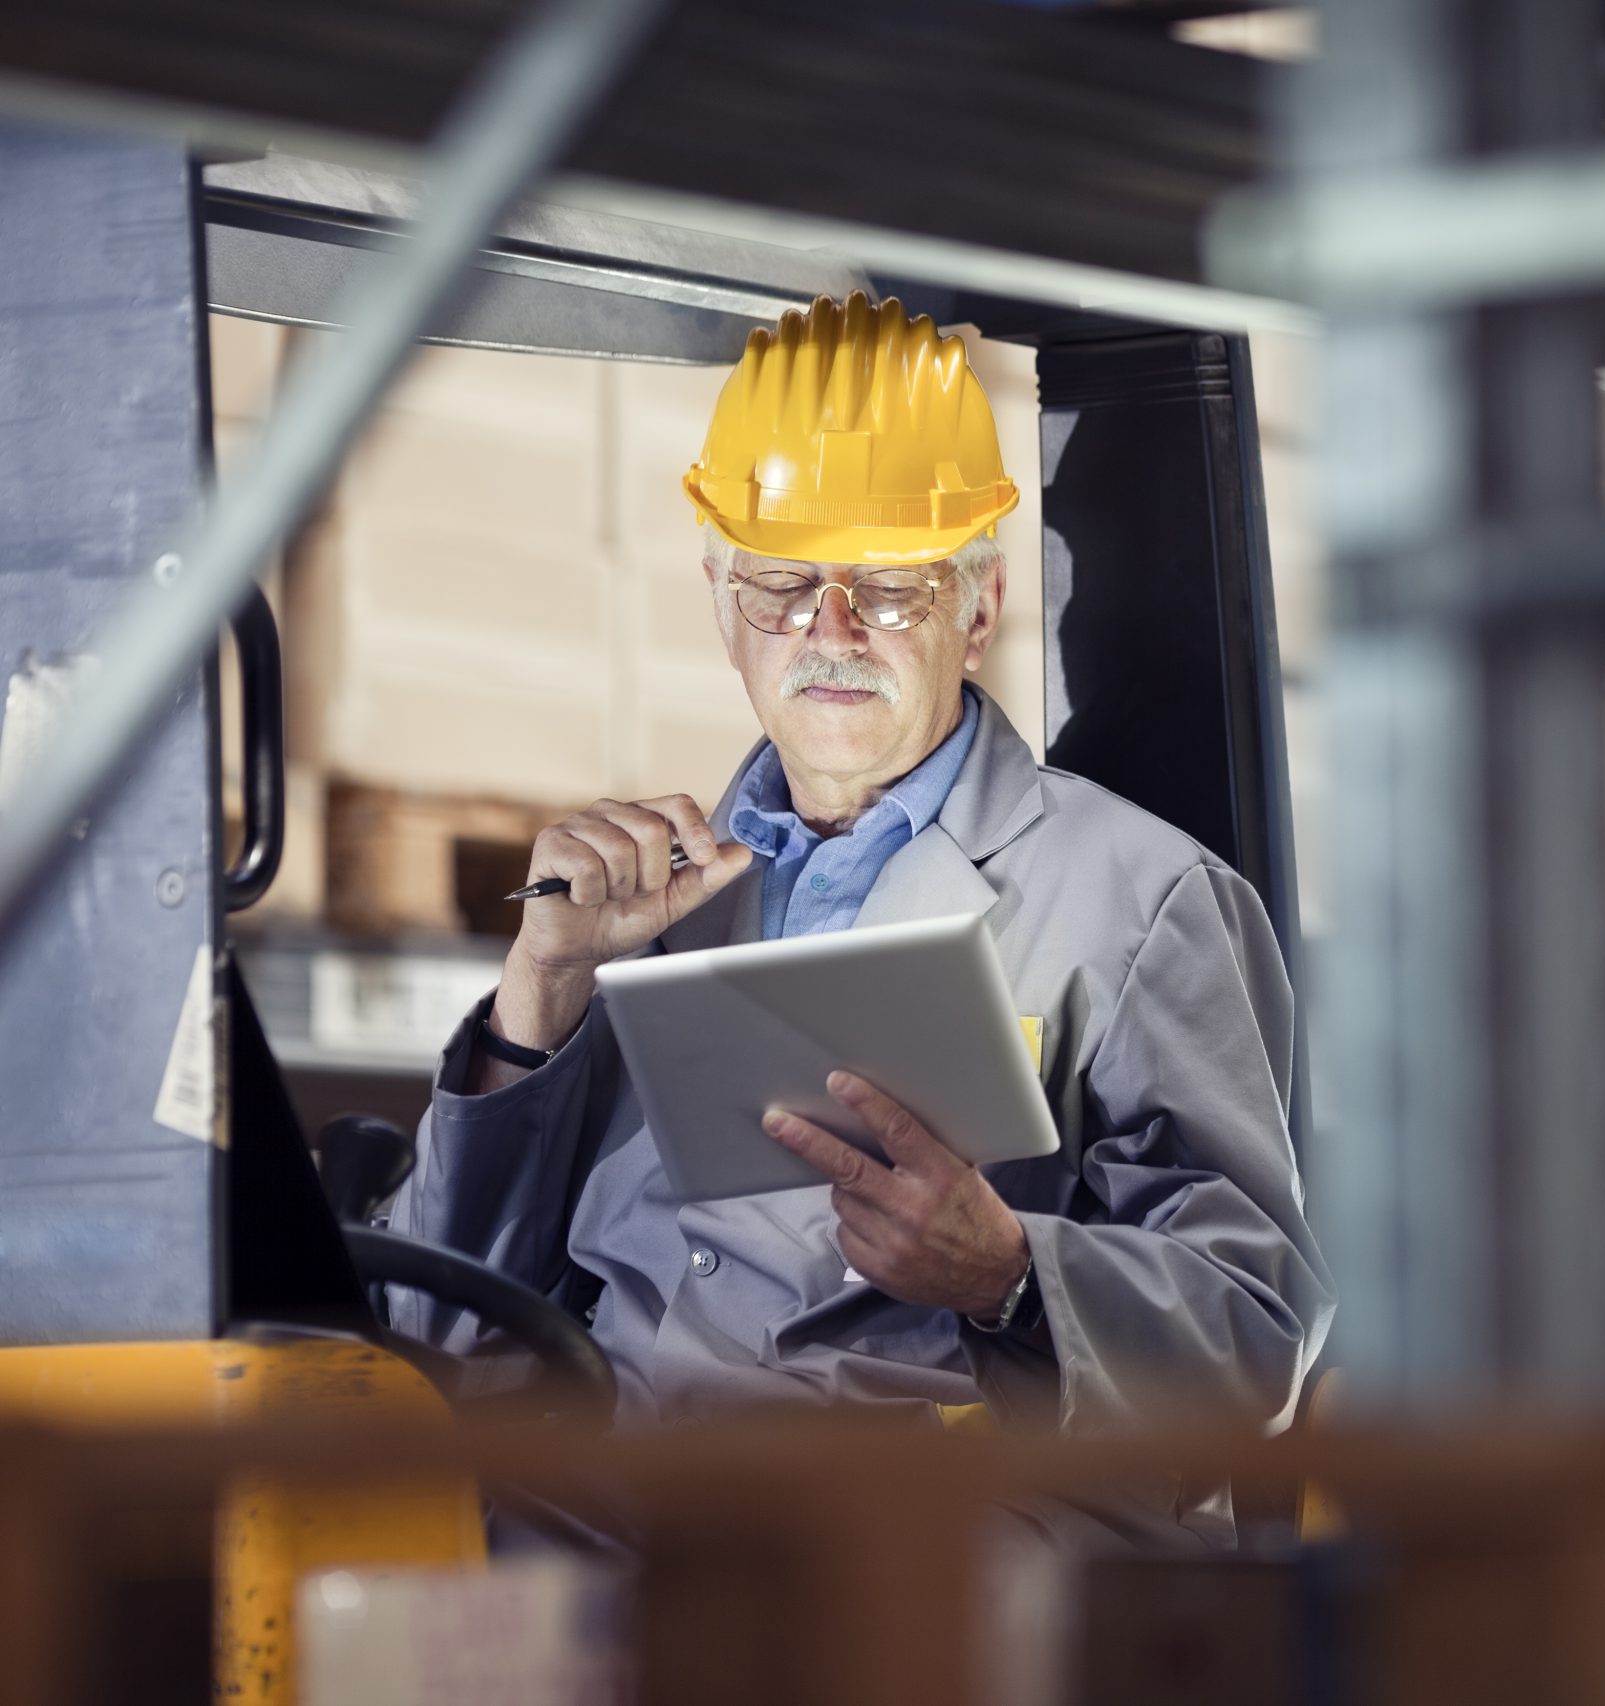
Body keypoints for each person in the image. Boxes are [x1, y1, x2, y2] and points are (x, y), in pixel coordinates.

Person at [389, 295, 1332, 1540]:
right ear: (724, 603)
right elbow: (435, 1323)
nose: (828, 633)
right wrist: (536, 1003)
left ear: (978, 607)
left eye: (887, 591)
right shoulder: (647, 902)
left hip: (938, 1524)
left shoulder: (1139, 895)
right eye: (783, 584)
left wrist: (1007, 1274)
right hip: (610, 1515)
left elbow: (1254, 1333)